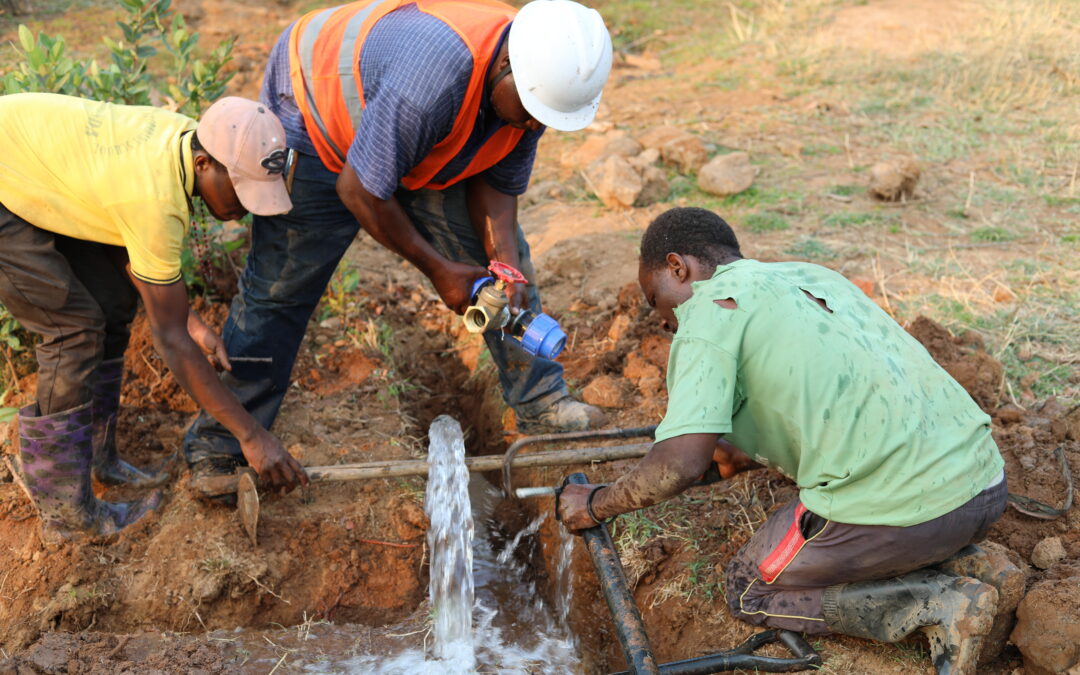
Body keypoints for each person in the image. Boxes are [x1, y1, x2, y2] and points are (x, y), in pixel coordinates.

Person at [559, 207, 1021, 674]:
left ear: (678, 267)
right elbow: (844, 390)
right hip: (984, 485)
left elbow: (679, 464)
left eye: (653, 298)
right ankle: (973, 563)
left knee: (748, 588)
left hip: (906, 515)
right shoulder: (810, 276)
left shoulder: (708, 312)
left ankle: (934, 602)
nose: (661, 320)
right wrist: (750, 451)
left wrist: (596, 503)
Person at [183, 0, 614, 482]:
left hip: (412, 125)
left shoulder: (537, 89)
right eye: (532, 113)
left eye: (545, 118)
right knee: (280, 287)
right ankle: (220, 445)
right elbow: (359, 190)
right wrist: (438, 270)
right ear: (506, 67)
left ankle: (541, 402)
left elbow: (498, 186)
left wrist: (505, 263)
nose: (536, 125)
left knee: (501, 266)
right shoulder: (430, 86)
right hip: (313, 113)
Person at [0, 93, 309, 542]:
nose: (244, 207)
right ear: (205, 164)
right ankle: (65, 516)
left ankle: (97, 460)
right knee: (73, 330)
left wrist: (192, 322)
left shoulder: (184, 140)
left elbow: (134, 242)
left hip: (29, 164)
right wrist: (251, 434)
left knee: (112, 304)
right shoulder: (156, 196)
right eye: (241, 190)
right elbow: (169, 340)